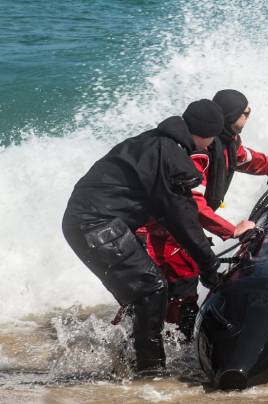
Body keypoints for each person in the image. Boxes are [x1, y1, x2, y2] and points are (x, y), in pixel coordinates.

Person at [61, 99, 225, 375]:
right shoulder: (171, 158)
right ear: (206, 133)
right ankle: (150, 372)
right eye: (212, 139)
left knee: (143, 292)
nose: (210, 147)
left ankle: (126, 358)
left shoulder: (156, 141)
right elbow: (183, 219)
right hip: (96, 225)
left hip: (88, 221)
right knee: (151, 288)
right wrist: (210, 267)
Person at [139, 89, 268, 339]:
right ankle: (176, 343)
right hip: (165, 232)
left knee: (178, 285)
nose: (250, 113)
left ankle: (169, 339)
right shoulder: (200, 151)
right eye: (245, 111)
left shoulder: (228, 142)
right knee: (180, 286)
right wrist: (231, 230)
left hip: (179, 228)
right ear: (233, 116)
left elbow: (245, 159)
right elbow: (193, 203)